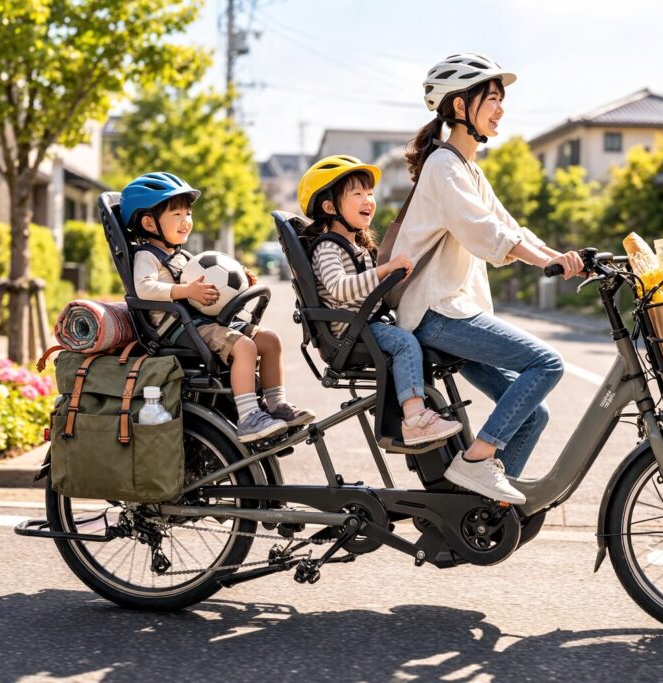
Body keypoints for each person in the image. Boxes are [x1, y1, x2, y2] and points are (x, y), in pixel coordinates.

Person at [391, 53, 584, 505]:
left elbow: (511, 228)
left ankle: (479, 513)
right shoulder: (444, 167)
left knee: (533, 416)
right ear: (460, 108)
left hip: (454, 313)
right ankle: (476, 463)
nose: (500, 109)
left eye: (501, 100)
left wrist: (564, 258)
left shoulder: (467, 169)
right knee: (547, 364)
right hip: (435, 313)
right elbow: (488, 234)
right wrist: (543, 263)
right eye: (491, 99)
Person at [121, 172, 315, 443]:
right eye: (176, 215)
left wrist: (237, 281)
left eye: (188, 214)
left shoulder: (183, 256)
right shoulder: (147, 256)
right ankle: (248, 417)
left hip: (202, 322)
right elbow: (143, 289)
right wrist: (185, 291)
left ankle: (276, 405)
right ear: (148, 223)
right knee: (244, 346)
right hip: (179, 328)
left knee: (270, 341)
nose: (186, 221)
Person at [298, 155, 463, 447]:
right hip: (350, 332)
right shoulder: (327, 247)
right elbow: (339, 289)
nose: (368, 200)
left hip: (363, 326)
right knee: (404, 343)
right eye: (358, 193)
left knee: (413, 336)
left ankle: (417, 409)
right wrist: (383, 270)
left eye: (370, 193)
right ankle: (414, 417)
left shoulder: (354, 246)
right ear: (329, 207)